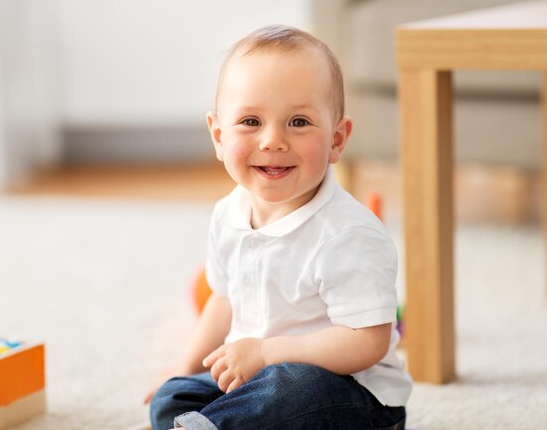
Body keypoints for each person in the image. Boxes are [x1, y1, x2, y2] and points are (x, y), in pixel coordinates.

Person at [145, 24, 412, 430]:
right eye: (251, 121)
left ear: (337, 139)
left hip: (352, 396)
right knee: (172, 398)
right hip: (256, 377)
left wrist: (269, 353)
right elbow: (222, 301)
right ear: (218, 135)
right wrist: (182, 368)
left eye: (299, 122)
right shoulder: (227, 214)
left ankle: (209, 424)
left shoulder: (348, 234)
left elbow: (367, 341)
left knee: (290, 388)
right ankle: (205, 421)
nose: (273, 140)